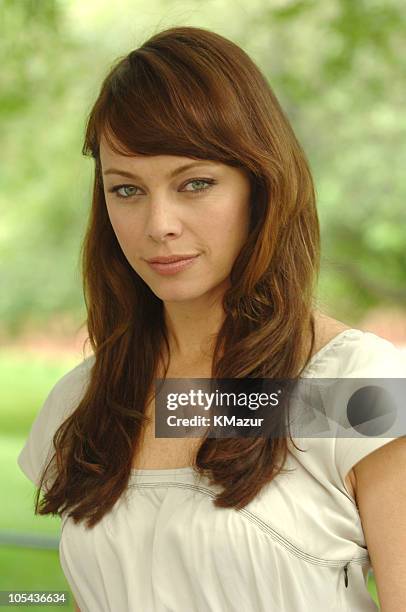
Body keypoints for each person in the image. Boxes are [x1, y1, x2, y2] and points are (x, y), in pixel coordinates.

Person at [17, 25, 406, 612]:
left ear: (262, 187)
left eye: (195, 183)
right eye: (126, 190)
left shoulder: (355, 388)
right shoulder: (82, 403)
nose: (159, 224)